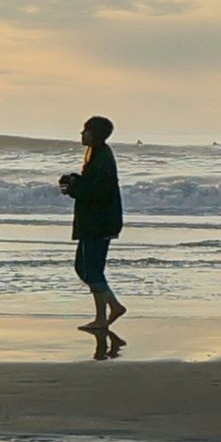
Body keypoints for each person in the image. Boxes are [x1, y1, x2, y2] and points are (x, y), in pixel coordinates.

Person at [56, 114, 127, 340]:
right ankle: (113, 306)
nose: (81, 134)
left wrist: (74, 188)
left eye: (85, 130)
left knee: (91, 270)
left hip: (98, 222)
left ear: (94, 134)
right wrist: (76, 180)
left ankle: (102, 317)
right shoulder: (97, 155)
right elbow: (95, 185)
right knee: (83, 268)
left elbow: (97, 191)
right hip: (99, 221)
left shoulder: (102, 157)